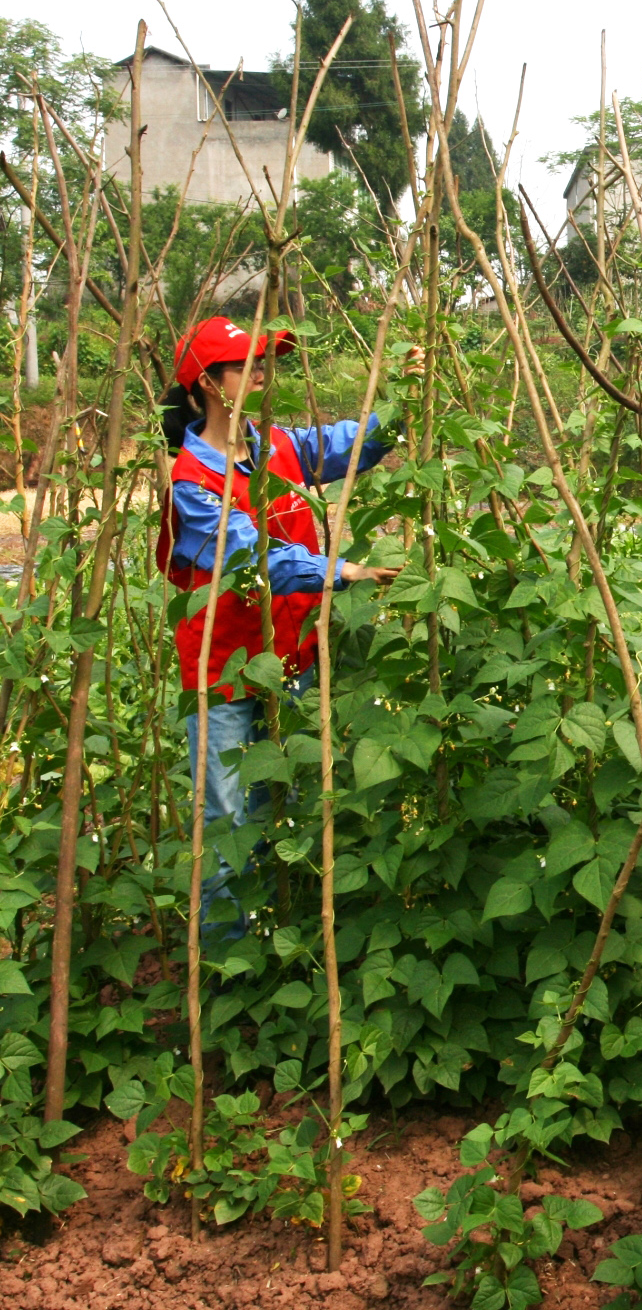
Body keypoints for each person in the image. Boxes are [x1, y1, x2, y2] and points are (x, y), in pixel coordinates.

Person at [158, 316, 402, 933]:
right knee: (230, 828)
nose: (265, 374)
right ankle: (224, 971)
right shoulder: (194, 483)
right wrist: (346, 570)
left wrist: (403, 395)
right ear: (210, 385)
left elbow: (352, 442)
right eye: (249, 365)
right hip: (227, 678)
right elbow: (251, 558)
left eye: (268, 362)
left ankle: (274, 944)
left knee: (288, 808)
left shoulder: (279, 448)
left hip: (293, 661)